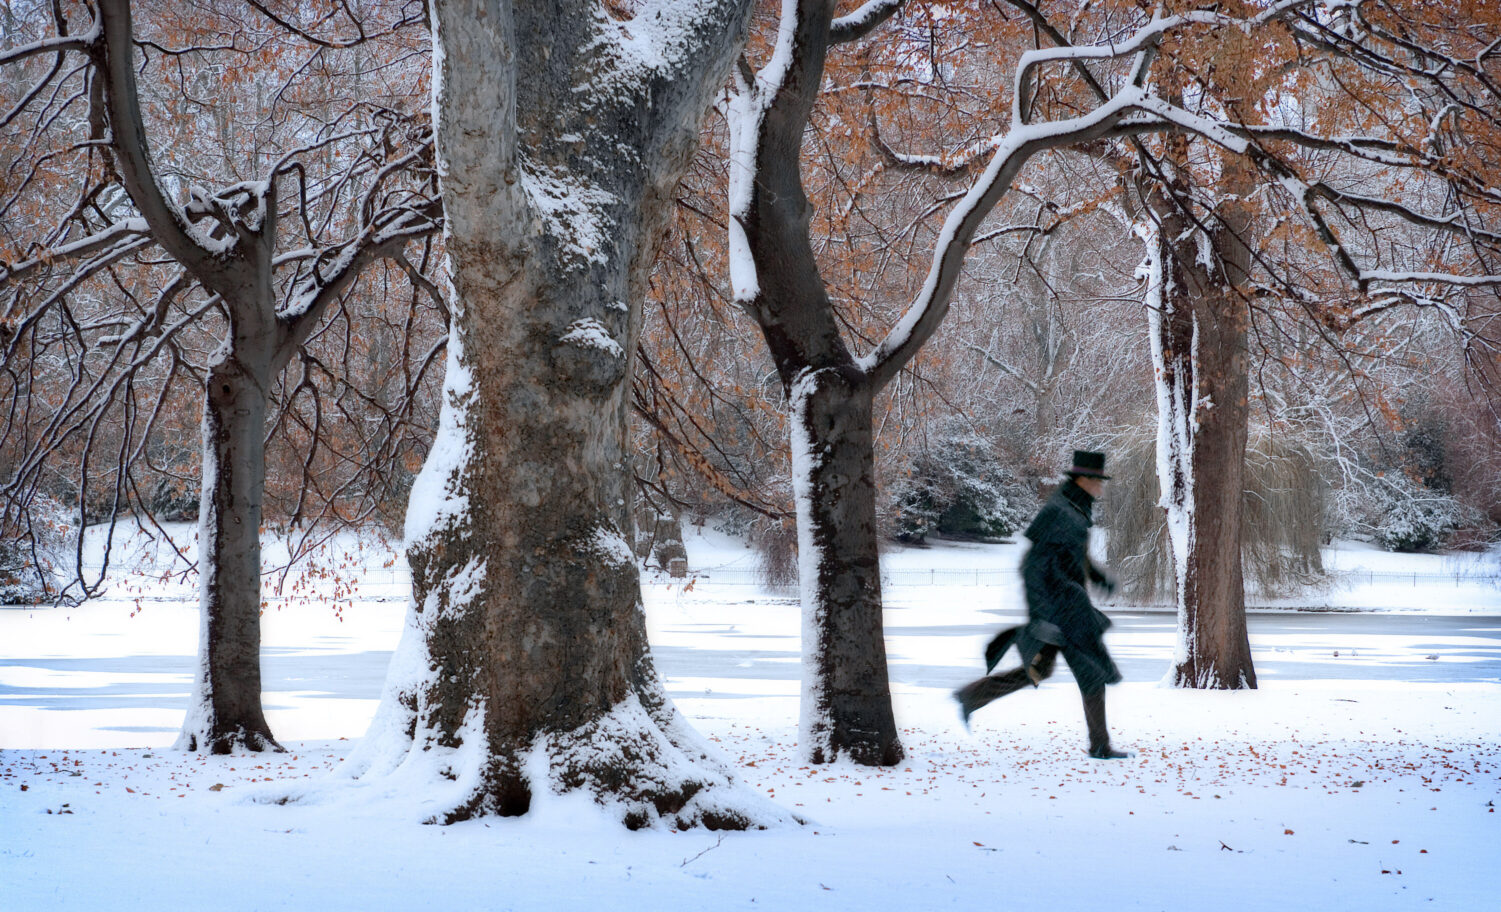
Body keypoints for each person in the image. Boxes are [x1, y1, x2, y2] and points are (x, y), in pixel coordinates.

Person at [953, 449, 1130, 759]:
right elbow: (1033, 567)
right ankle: (1100, 746)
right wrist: (1043, 617)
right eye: (1098, 481)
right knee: (1084, 672)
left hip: (1068, 610)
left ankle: (971, 697)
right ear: (1083, 479)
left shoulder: (1075, 509)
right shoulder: (1060, 512)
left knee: (1041, 671)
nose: (1101, 487)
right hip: (1060, 614)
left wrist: (1097, 577)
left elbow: (1074, 556)